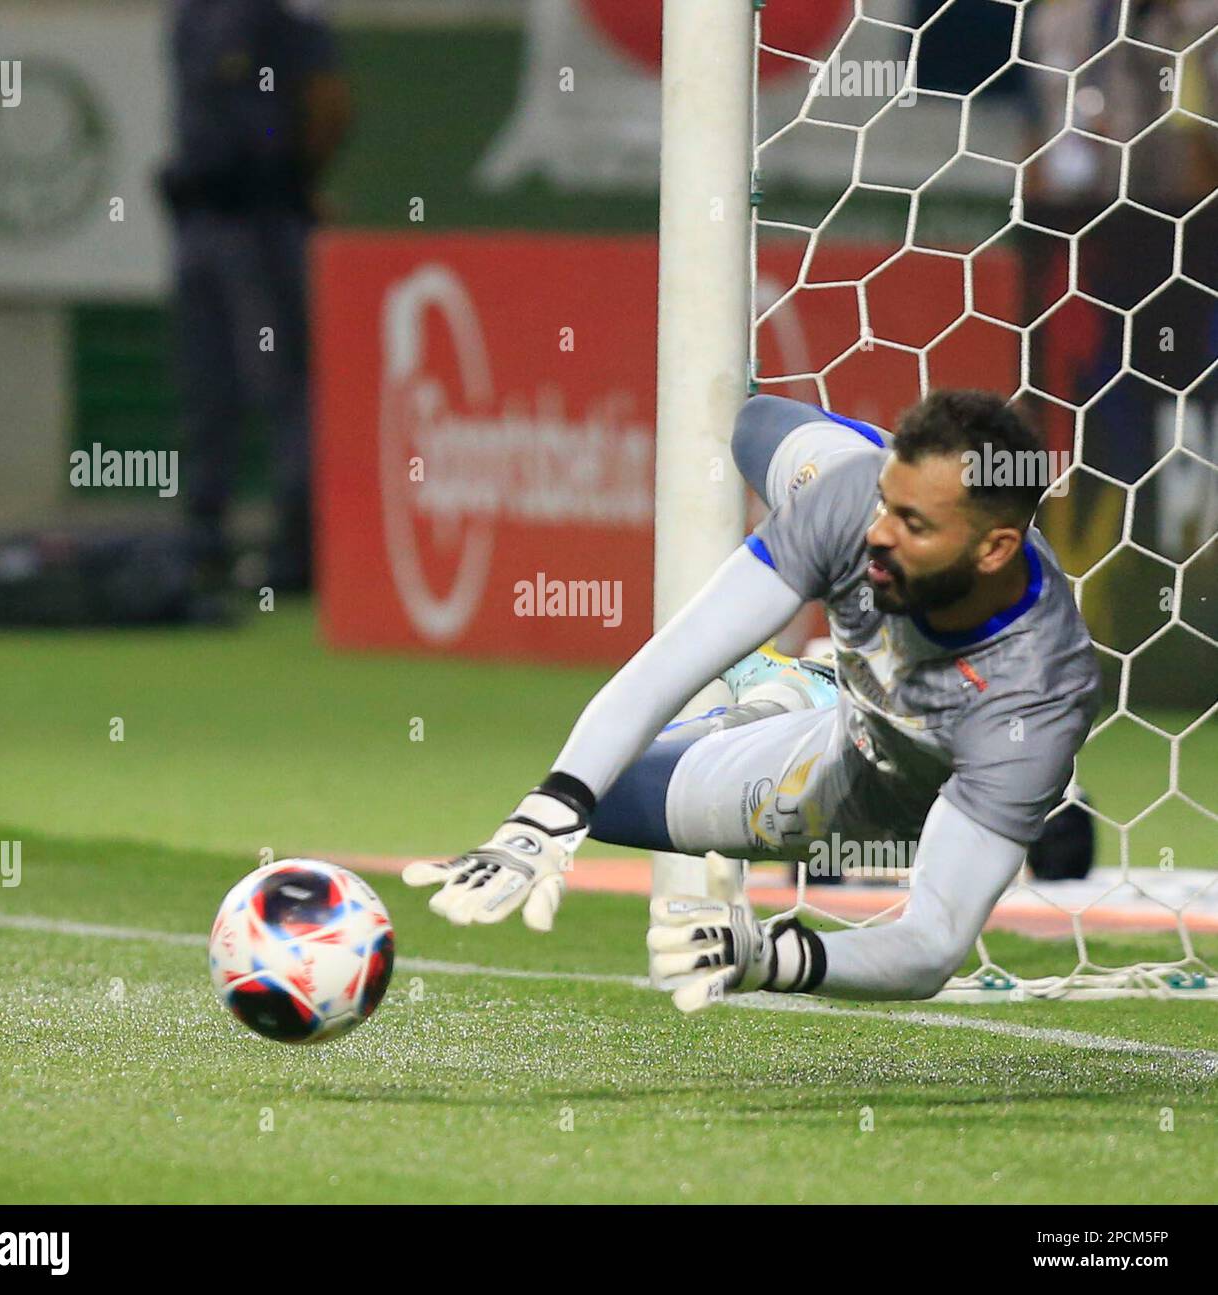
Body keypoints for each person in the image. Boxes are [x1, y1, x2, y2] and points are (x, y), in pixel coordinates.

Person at [403, 391, 1102, 1008]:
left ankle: (782, 701)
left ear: (994, 549)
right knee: (753, 422)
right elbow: (674, 660)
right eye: (888, 502)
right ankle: (795, 690)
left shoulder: (1035, 699)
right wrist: (549, 812)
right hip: (857, 679)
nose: (880, 533)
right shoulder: (854, 502)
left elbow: (932, 943)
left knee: (619, 801)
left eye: (913, 522)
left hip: (869, 784)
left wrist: (775, 956)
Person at [161, 0, 352, 593]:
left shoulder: (288, 10)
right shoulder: (190, 12)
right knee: (206, 388)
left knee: (284, 385)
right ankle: (203, 541)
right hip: (200, 216)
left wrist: (296, 181)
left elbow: (327, 98)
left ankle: (296, 550)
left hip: (264, 219)